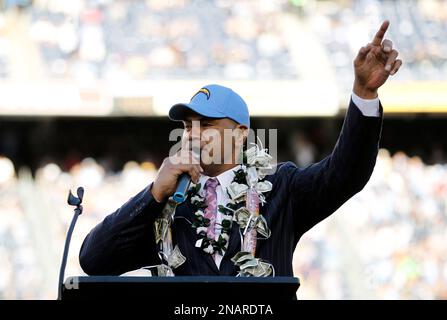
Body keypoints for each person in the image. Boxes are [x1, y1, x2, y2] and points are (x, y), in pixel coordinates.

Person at [79, 21, 402, 276]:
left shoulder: (281, 189)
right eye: (187, 125)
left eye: (206, 125)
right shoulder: (165, 204)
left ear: (240, 134)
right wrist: (152, 194)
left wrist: (363, 93)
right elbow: (94, 260)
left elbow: (345, 174)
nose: (193, 134)